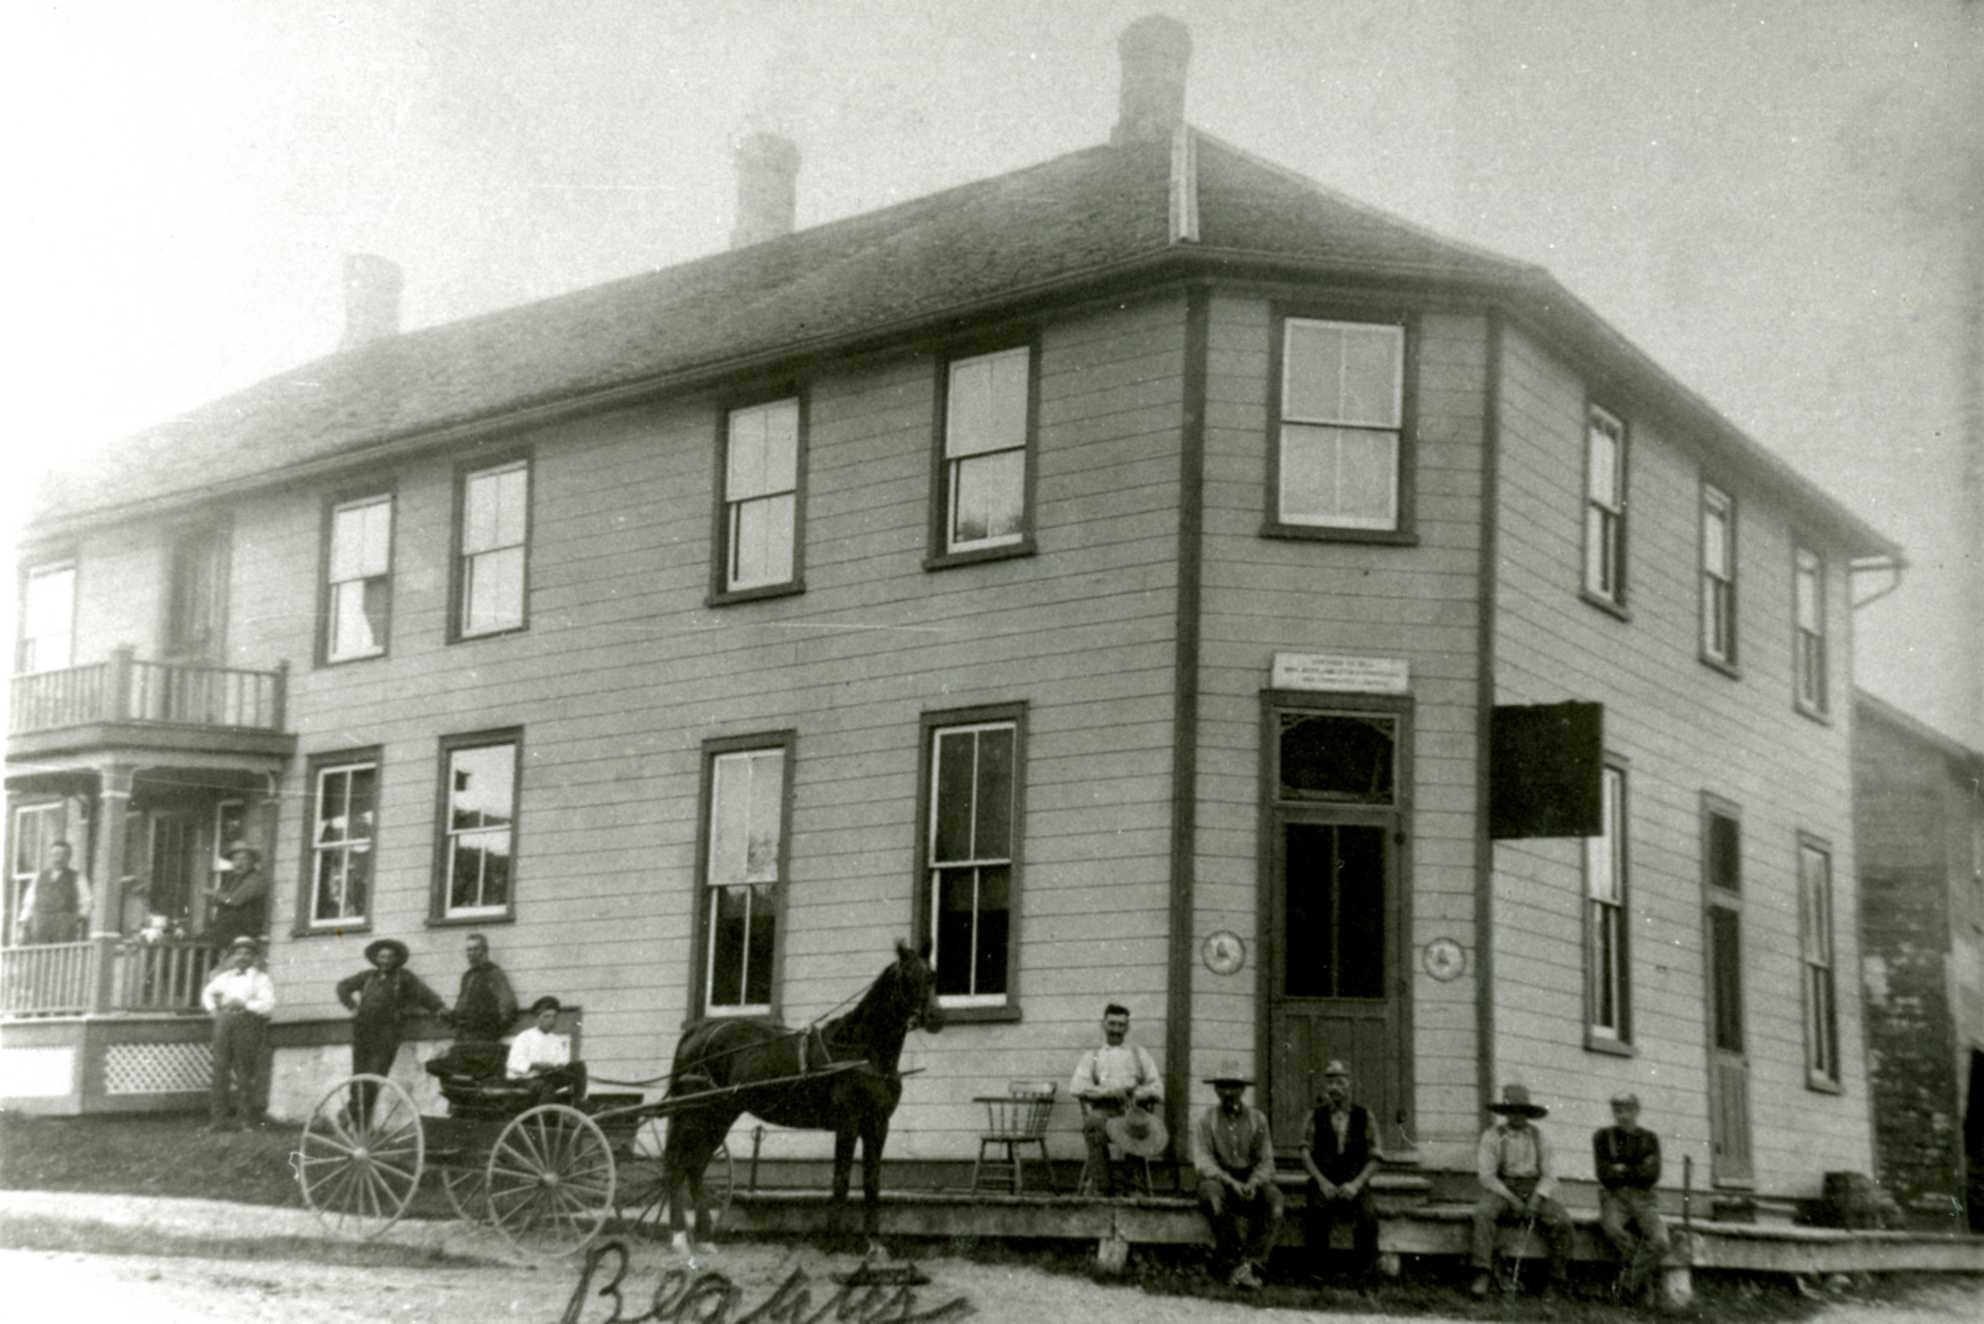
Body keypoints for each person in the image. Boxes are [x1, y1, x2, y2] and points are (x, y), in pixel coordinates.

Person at [1469, 1083, 1575, 1298]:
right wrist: (1511, 1198)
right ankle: (1483, 1273)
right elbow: (1487, 1176)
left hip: (1534, 1188)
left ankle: (1555, 1280)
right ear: (1505, 1112)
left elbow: (1549, 1174)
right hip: (1503, 1188)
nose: (1516, 1115)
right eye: (1511, 1110)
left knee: (1563, 1222)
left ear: (1527, 1112)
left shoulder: (1540, 1137)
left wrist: (1536, 1198)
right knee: (1483, 1213)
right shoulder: (1492, 1135)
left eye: (1521, 1110)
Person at [1193, 1059, 1284, 1291]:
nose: (1228, 1092)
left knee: (1275, 1201)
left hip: (1249, 1180)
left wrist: (1253, 1182)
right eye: (1223, 1087)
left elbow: (1266, 1161)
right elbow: (1203, 1161)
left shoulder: (1257, 1119)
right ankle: (1231, 1263)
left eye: (1233, 1086)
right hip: (1220, 1181)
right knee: (1213, 1198)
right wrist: (1229, 1182)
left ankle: (1253, 1265)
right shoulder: (1206, 1120)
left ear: (1243, 1089)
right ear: (1215, 1089)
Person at [335, 938, 445, 1121]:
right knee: (358, 1078)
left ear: (396, 959)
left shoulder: (404, 978)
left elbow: (424, 995)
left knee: (375, 1078)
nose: (385, 961)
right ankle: (355, 1117)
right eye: (382, 957)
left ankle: (357, 1118)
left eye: (389, 957)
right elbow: (343, 987)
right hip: (363, 1033)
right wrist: (352, 1007)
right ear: (376, 959)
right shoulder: (368, 976)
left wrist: (439, 1007)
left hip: (387, 1035)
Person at [1069, 1002, 1164, 1196]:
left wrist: (1136, 1093)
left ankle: (1135, 1187)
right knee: (1092, 1123)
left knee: (1136, 1124)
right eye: (1112, 1024)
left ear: (1127, 1027)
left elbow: (1157, 1089)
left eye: (1121, 1025)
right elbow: (1077, 1087)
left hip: (1133, 1109)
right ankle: (1103, 1187)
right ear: (1103, 1024)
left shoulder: (1139, 1054)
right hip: (1104, 1111)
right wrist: (1108, 1092)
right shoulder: (1093, 1057)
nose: (1116, 1030)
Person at [1300, 1058, 1381, 1280]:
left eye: (1340, 1082)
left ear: (1350, 1084)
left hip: (1354, 1182)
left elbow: (1376, 1157)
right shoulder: (1314, 1115)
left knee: (1368, 1215)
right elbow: (1305, 1153)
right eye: (1330, 1083)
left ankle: (1363, 1272)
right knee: (1316, 1209)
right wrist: (1322, 1181)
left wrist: (1356, 1184)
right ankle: (1318, 1271)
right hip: (1324, 1181)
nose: (1334, 1088)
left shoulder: (1365, 1116)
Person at [1595, 1090, 1669, 1302]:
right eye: (1617, 1110)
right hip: (1614, 1197)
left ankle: (1625, 1285)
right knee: (1613, 1229)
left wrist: (1621, 1169)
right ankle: (1643, 1284)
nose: (1622, 1115)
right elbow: (1604, 1175)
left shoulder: (1649, 1138)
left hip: (1645, 1199)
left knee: (1661, 1241)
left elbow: (1653, 1176)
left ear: (1637, 1111)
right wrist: (1637, 1168)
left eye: (1627, 1109)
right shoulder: (1602, 1137)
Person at [201, 934, 275, 1130]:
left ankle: (245, 1120)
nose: (242, 957)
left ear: (254, 958)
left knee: (245, 1072)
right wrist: (213, 1010)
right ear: (232, 957)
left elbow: (268, 1005)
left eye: (247, 953)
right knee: (219, 1069)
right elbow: (207, 993)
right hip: (224, 1022)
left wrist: (246, 1004)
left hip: (247, 1023)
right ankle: (218, 1120)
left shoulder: (261, 979)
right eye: (238, 953)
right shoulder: (223, 978)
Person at [425, 932, 518, 1079]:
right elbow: (462, 1006)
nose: (471, 953)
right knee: (460, 1076)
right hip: (464, 1036)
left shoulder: (493, 973)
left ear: (485, 950)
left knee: (479, 1076)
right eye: (468, 950)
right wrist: (450, 1016)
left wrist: (494, 1030)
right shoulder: (468, 976)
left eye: (476, 949)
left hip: (483, 1037)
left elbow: (508, 1005)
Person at [506, 995, 587, 1102]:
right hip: (525, 1079)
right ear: (537, 1018)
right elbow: (513, 1064)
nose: (551, 1021)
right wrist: (535, 1065)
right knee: (547, 1088)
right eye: (546, 1016)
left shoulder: (556, 1040)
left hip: (547, 1077)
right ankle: (542, 1117)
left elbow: (562, 1062)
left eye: (554, 1017)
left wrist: (559, 1066)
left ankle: (578, 1105)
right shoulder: (524, 1037)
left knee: (578, 1067)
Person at [18, 840, 91, 944]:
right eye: (55, 854)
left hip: (64, 928)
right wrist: (23, 922)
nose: (58, 859)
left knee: (62, 957)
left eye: (63, 855)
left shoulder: (77, 877)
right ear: (50, 856)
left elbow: (86, 901)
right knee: (40, 955)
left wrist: (77, 920)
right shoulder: (39, 877)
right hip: (40, 927)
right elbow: (29, 903)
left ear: (69, 857)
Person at [205, 840, 268, 948]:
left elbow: (234, 900)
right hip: (226, 936)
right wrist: (218, 896)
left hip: (245, 936)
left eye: (244, 859)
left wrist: (213, 893)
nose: (239, 863)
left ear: (252, 861)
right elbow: (218, 900)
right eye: (235, 859)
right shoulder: (232, 880)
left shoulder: (255, 880)